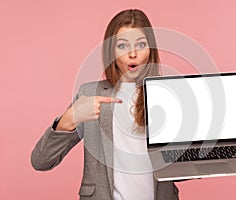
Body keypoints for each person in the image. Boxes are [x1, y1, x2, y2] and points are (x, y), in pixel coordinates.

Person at [31, 9, 179, 200]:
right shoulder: (89, 95)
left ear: (150, 49)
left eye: (140, 44)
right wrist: (69, 119)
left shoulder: (168, 94)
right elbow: (41, 161)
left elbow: (182, 167)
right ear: (111, 51)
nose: (132, 54)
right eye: (123, 46)